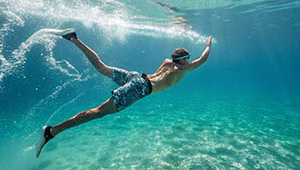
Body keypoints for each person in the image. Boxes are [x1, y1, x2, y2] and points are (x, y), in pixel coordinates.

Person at [36, 29, 213, 158]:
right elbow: (203, 59)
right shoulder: (183, 67)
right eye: (187, 57)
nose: (188, 60)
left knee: (102, 67)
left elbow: (153, 75)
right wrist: (208, 46)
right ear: (182, 59)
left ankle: (73, 38)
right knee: (99, 112)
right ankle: (51, 132)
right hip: (141, 88)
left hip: (138, 77)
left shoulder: (167, 62)